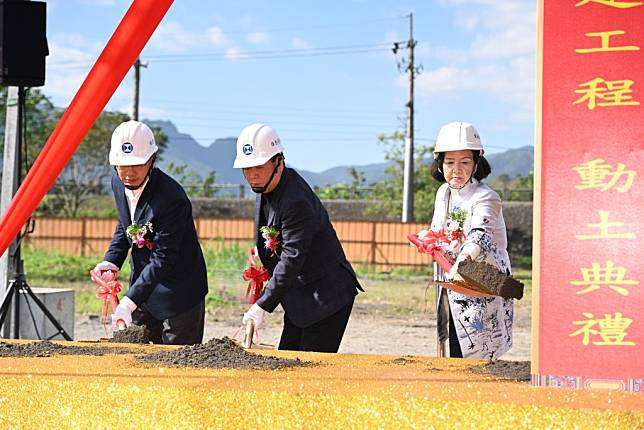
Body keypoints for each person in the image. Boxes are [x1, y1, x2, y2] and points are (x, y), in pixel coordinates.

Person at [233, 123, 363, 353]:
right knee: (287, 359)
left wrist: (263, 305)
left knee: (307, 371)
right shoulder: (267, 187)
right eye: (246, 168)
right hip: (299, 298)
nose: (252, 175)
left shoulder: (295, 200)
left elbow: (292, 257)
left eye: (259, 167)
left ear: (278, 161)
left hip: (325, 298)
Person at [92, 120, 208, 345]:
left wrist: (127, 302)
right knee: (136, 356)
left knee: (177, 364)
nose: (129, 173)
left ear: (152, 160)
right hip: (143, 289)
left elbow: (163, 258)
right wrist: (112, 260)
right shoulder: (118, 183)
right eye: (122, 165)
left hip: (179, 291)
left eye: (137, 164)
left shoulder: (172, 199)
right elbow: (126, 223)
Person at [429, 121, 513, 359]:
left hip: (481, 279)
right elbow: (437, 228)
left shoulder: (487, 197)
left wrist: (463, 260)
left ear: (477, 163)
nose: (456, 169)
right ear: (439, 164)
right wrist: (428, 240)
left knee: (478, 346)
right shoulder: (444, 192)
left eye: (465, 162)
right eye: (449, 162)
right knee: (450, 336)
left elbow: (480, 234)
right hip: (450, 277)